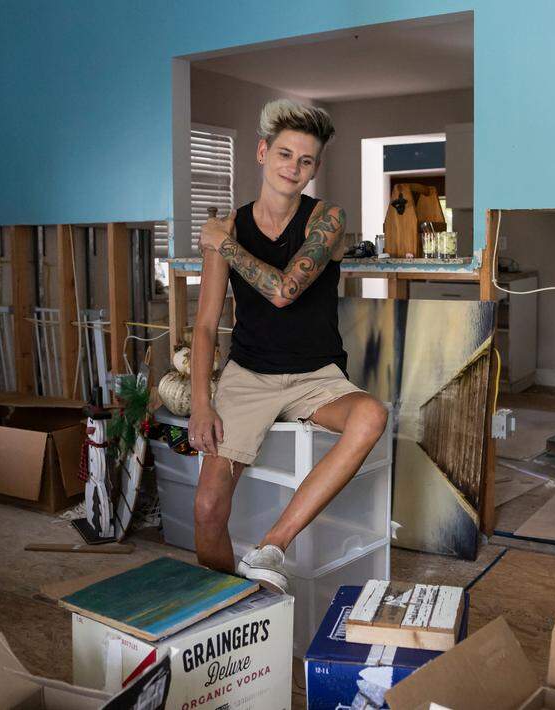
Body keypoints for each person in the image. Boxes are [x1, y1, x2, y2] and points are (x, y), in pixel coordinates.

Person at [188, 99, 388, 593]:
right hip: (248, 374)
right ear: (262, 152)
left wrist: (223, 244)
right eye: (284, 154)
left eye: (305, 161)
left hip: (315, 374)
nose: (292, 168)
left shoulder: (328, 219)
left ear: (315, 168)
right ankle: (227, 607)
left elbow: (283, 292)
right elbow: (207, 326)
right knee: (207, 508)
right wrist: (199, 403)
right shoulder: (233, 226)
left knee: (372, 416)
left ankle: (271, 548)